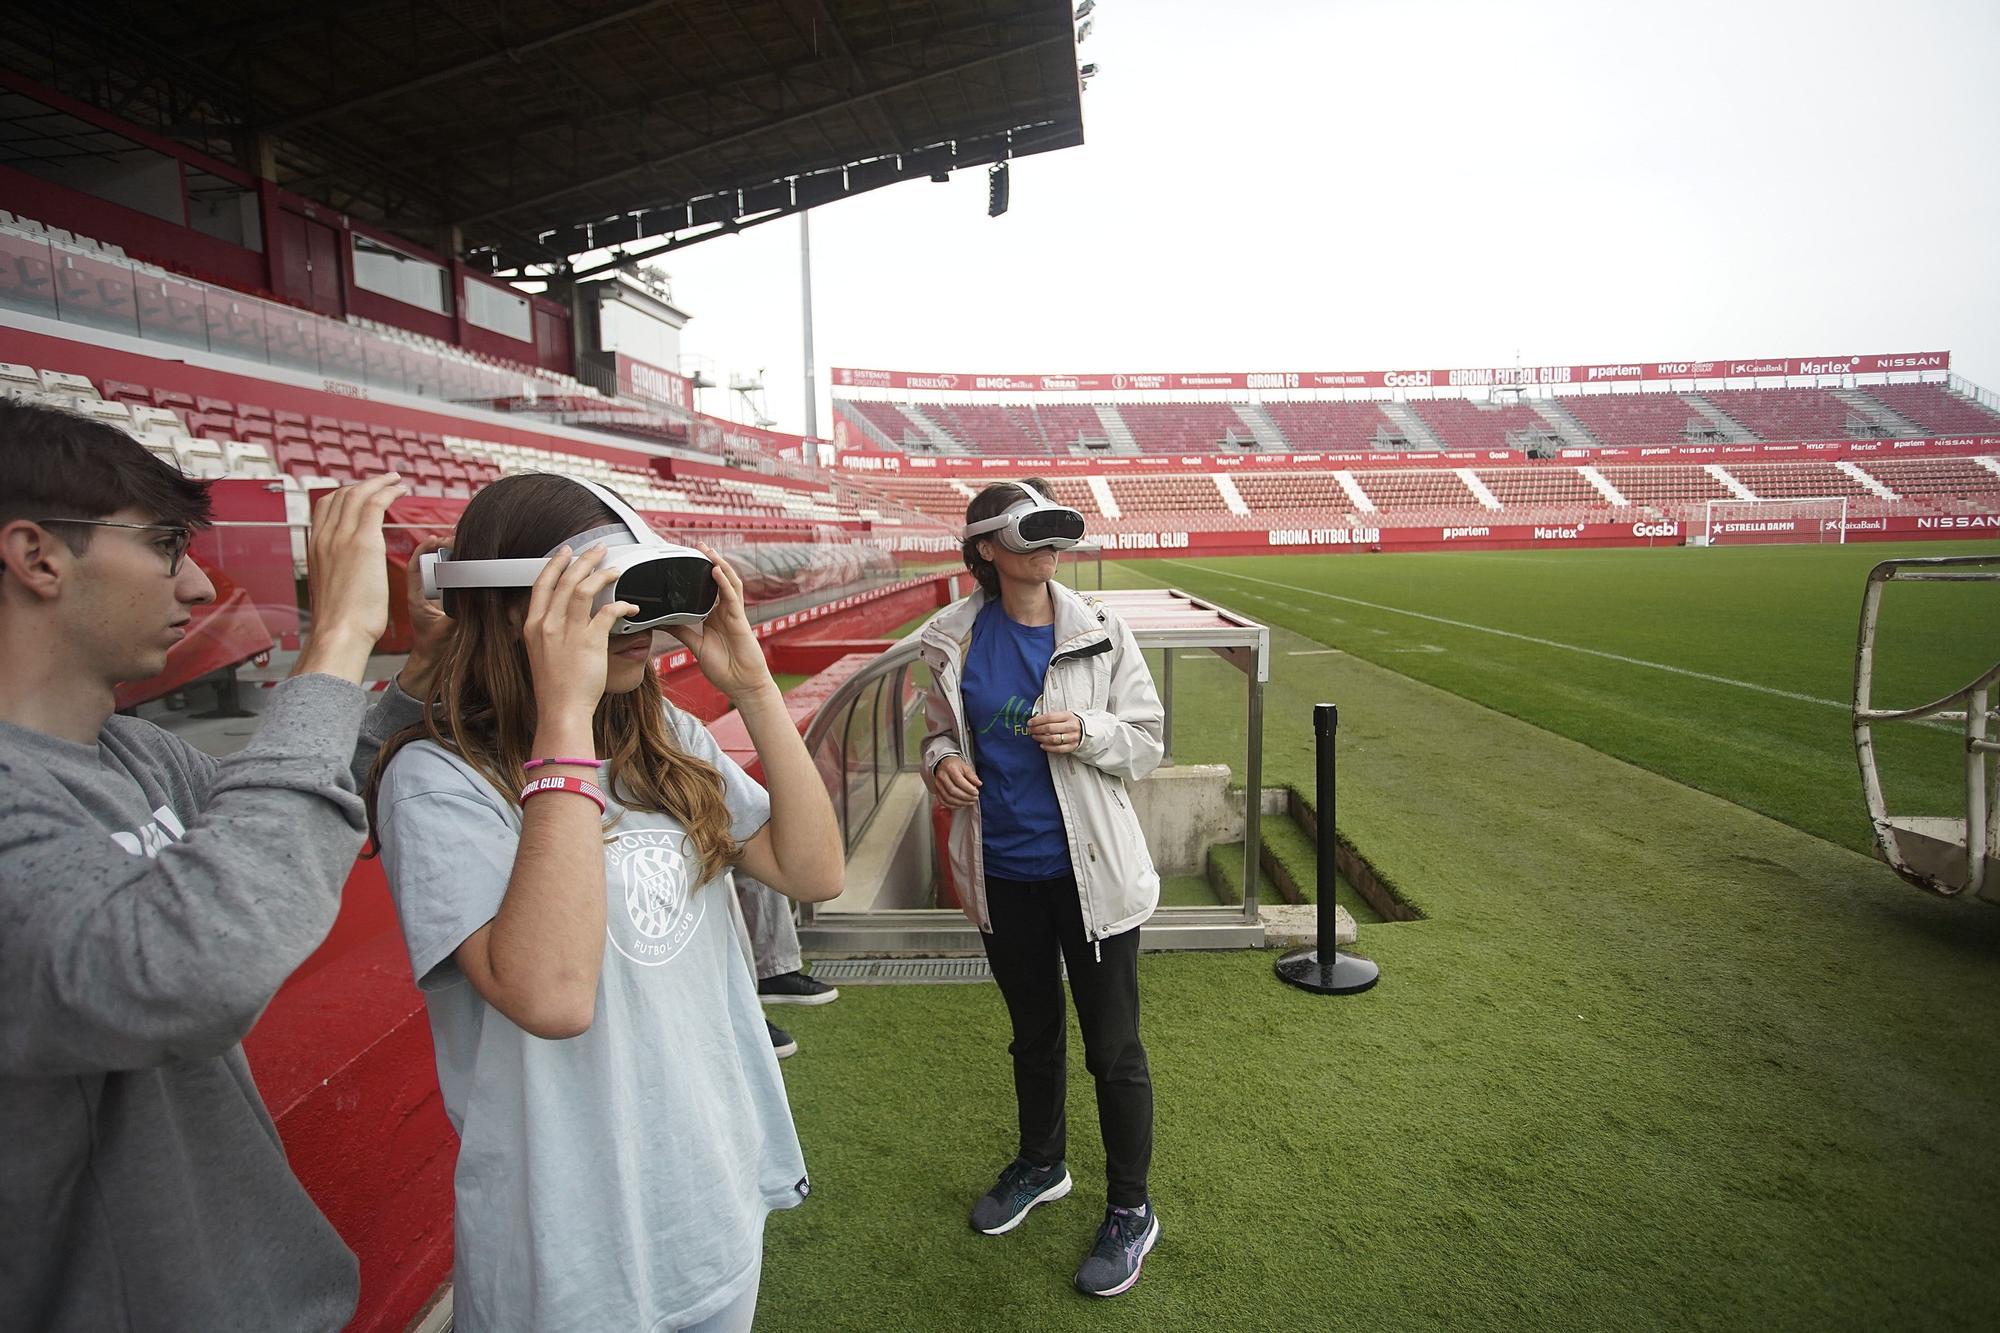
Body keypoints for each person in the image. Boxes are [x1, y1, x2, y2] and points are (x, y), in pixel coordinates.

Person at [0, 399, 447, 1331]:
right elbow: (193, 966)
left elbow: (293, 807)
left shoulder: (131, 753)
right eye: (166, 543)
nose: (201, 585)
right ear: (38, 556)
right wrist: (333, 646)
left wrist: (425, 675)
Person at [368, 473, 842, 1333]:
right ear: (520, 610)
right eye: (603, 597)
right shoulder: (438, 781)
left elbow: (814, 871)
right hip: (570, 1247)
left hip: (709, 1193)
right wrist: (564, 718)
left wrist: (755, 689)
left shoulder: (665, 742)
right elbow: (551, 994)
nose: (641, 626)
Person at [918, 478, 1168, 1298]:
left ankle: (1131, 1209)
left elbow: (1146, 742)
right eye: (1030, 535)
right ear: (988, 549)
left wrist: (1089, 731)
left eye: (1056, 535)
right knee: (1033, 1035)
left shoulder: (1102, 629)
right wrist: (941, 764)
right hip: (1005, 876)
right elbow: (936, 736)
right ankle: (1042, 1163)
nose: (1049, 550)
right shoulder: (949, 639)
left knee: (1113, 1049)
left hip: (1090, 877)